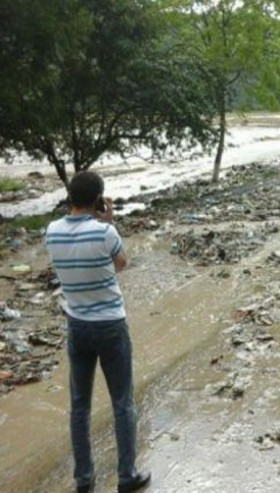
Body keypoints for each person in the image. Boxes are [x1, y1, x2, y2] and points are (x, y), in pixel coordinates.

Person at [45, 171, 150, 493]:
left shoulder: (51, 232)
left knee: (80, 404)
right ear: (98, 200)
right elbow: (120, 264)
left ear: (70, 198)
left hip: (77, 325)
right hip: (110, 325)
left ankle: (84, 478)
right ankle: (126, 474)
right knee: (122, 401)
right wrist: (109, 221)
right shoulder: (105, 233)